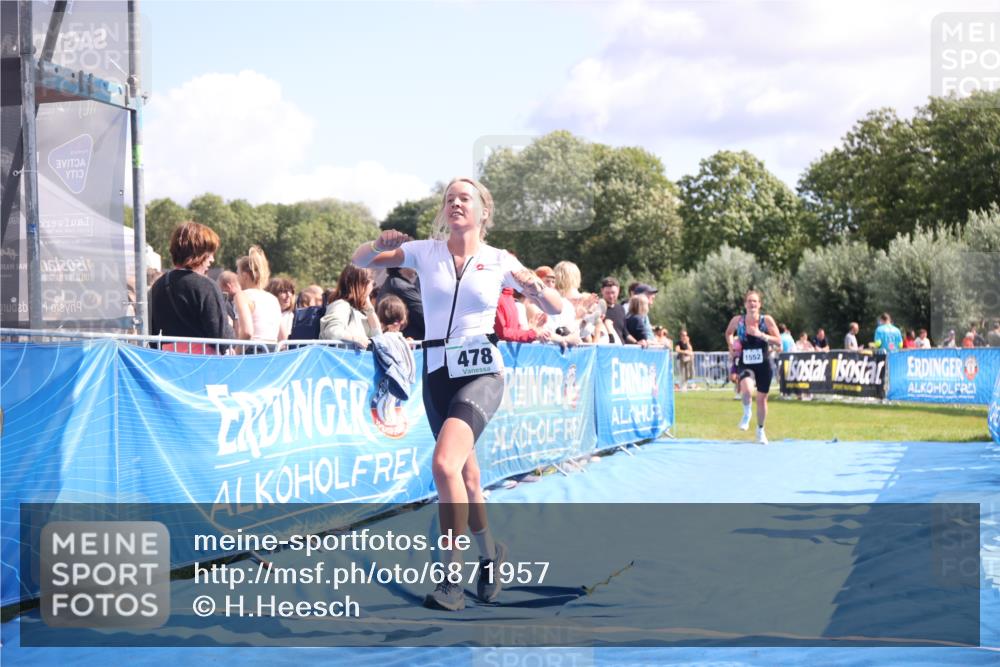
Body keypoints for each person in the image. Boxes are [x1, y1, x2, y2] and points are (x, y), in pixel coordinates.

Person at [351, 176, 562, 611]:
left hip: (482, 373)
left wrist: (534, 286)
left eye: (464, 198)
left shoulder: (499, 259)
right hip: (435, 374)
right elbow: (359, 260)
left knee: (444, 464)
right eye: (449, 199)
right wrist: (378, 242)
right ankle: (491, 556)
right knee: (466, 478)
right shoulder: (424, 251)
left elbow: (556, 308)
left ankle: (450, 578)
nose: (455, 204)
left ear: (484, 211)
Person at [149, 222, 234, 353]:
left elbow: (153, 338)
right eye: (209, 252)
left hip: (168, 365)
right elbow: (223, 340)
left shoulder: (157, 286)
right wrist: (229, 325)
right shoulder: (207, 286)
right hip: (202, 366)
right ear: (197, 252)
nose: (212, 259)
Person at [725, 290, 781, 445]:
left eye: (755, 301)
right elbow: (729, 332)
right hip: (746, 362)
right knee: (747, 390)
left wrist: (761, 334)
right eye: (749, 301)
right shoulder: (738, 321)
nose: (752, 304)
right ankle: (747, 412)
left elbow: (778, 341)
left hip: (764, 363)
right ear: (745, 304)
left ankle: (760, 430)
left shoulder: (766, 320)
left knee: (762, 400)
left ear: (760, 304)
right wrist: (731, 346)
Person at [318, 265, 381, 349]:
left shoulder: (361, 311)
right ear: (362, 284)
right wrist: (353, 338)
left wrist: (369, 309)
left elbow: (378, 337)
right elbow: (332, 331)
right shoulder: (341, 305)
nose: (372, 287)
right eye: (373, 283)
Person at [233, 246, 283, 351]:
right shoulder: (273, 299)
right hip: (273, 354)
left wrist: (235, 355)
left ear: (245, 275)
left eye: (237, 273)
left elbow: (247, 332)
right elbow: (283, 336)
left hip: (252, 353)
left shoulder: (242, 296)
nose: (236, 278)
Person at [378, 267, 426, 340]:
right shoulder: (402, 287)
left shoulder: (391, 283)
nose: (415, 266)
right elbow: (424, 318)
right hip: (411, 344)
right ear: (402, 265)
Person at [266, 276, 297, 341]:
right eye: (283, 291)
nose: (288, 295)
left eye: (291, 291)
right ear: (272, 293)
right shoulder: (265, 315)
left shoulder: (294, 316)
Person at [600, 277, 628, 344]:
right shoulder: (597, 309)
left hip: (621, 349)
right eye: (607, 293)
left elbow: (625, 333)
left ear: (618, 291)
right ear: (602, 291)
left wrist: (638, 342)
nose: (611, 296)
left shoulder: (621, 309)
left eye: (613, 292)